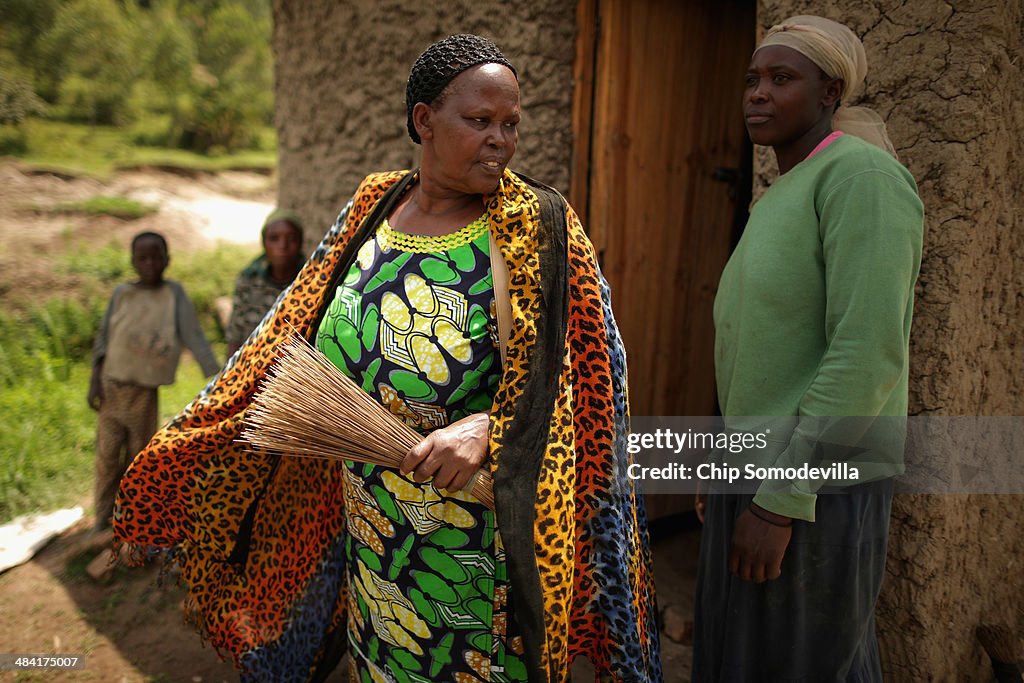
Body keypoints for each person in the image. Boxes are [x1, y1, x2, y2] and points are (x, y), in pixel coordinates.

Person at [113, 35, 661, 682]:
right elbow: (291, 323)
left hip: (475, 541)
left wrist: (491, 427)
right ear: (424, 121)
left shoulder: (533, 225)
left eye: (510, 124)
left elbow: (578, 376)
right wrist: (179, 455)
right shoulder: (374, 206)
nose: (501, 140)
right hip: (371, 526)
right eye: (479, 121)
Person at [693, 16, 924, 681]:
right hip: (763, 467)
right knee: (744, 654)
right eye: (752, 79)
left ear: (831, 92)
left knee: (798, 662)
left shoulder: (863, 180)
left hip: (817, 484)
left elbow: (865, 351)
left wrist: (779, 499)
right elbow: (764, 342)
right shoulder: (784, 191)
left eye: (782, 79)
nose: (757, 93)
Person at [88, 231, 220, 532]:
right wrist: (94, 380)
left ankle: (133, 518)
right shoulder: (122, 293)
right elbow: (104, 339)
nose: (149, 264)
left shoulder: (173, 295)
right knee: (107, 455)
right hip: (111, 388)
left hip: (143, 395)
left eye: (156, 257)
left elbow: (194, 336)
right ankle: (101, 517)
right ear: (133, 261)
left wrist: (217, 375)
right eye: (142, 258)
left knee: (139, 458)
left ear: (167, 260)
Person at [224, 209, 305, 356]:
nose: (282, 246)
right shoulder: (249, 281)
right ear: (264, 242)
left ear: (300, 243)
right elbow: (235, 336)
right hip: (251, 365)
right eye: (274, 238)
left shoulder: (311, 282)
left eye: (292, 239)